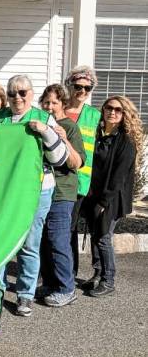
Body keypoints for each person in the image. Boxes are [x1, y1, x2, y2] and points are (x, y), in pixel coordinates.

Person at [0, 75, 68, 317]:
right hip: (4, 189)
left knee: (30, 244)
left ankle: (25, 295)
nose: (17, 98)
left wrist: (46, 132)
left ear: (32, 94)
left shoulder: (44, 117)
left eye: (22, 92)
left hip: (37, 188)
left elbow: (60, 158)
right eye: (12, 93)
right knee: (0, 239)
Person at [82, 96, 143, 297]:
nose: (113, 112)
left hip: (111, 198)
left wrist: (103, 201)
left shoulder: (125, 141)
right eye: (109, 108)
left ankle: (109, 280)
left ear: (124, 114)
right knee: (95, 235)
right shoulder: (97, 134)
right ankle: (98, 274)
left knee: (103, 237)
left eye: (118, 109)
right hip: (93, 195)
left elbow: (119, 176)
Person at [38, 84, 86, 307]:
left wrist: (64, 139)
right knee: (44, 242)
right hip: (41, 190)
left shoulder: (69, 127)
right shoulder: (40, 125)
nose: (49, 107)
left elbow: (77, 162)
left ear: (64, 104)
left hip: (62, 192)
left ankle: (67, 288)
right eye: (46, 102)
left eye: (54, 102)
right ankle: (50, 283)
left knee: (58, 240)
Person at [63, 65, 101, 281]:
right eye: (78, 87)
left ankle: (71, 272)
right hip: (58, 179)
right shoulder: (57, 110)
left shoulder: (95, 116)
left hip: (83, 182)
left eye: (88, 88)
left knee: (72, 230)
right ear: (69, 85)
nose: (83, 92)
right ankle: (53, 271)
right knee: (57, 228)